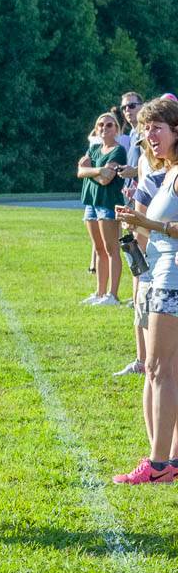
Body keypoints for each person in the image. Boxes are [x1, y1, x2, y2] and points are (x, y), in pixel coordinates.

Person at [113, 96, 178, 483]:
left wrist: (149, 224)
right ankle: (170, 460)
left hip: (172, 282)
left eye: (157, 128)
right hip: (162, 277)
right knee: (167, 371)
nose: (149, 135)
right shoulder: (168, 170)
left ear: (176, 132)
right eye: (146, 128)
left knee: (157, 369)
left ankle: (156, 466)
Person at [76, 112, 127, 305]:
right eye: (101, 125)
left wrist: (90, 170)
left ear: (117, 130)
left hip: (107, 203)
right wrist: (96, 170)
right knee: (98, 249)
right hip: (91, 202)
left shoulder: (119, 150)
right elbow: (81, 172)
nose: (104, 128)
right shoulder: (95, 148)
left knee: (111, 248)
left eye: (109, 125)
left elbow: (107, 179)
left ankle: (112, 295)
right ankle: (99, 292)